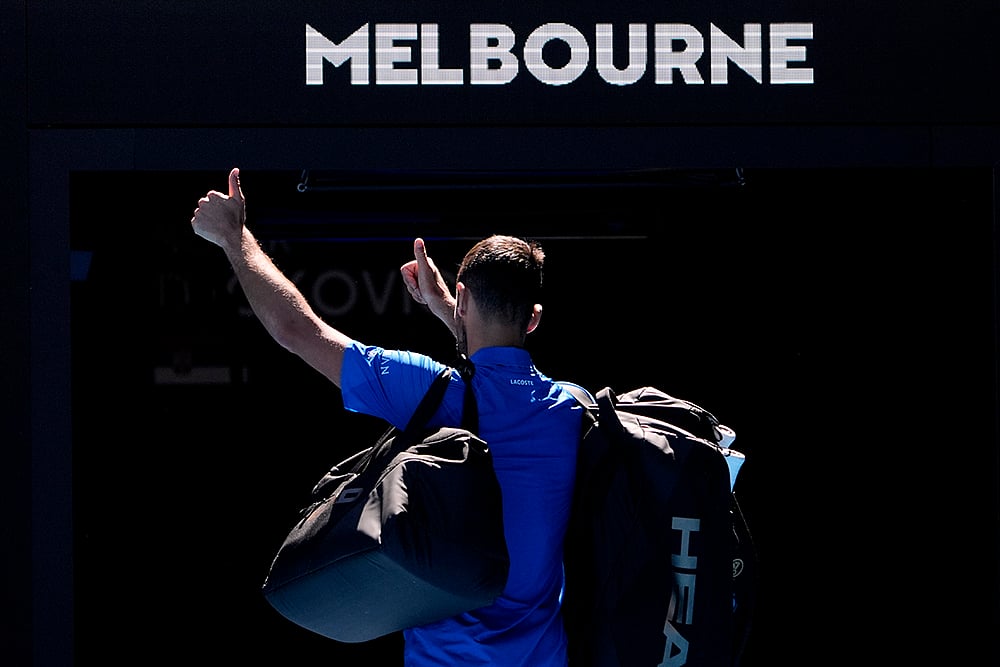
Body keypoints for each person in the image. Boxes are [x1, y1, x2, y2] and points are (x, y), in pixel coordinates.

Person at [190, 168, 581, 666]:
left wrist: (233, 236)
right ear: (534, 318)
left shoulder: (429, 391)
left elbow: (297, 330)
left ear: (463, 300)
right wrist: (452, 313)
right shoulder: (572, 408)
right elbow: (498, 384)